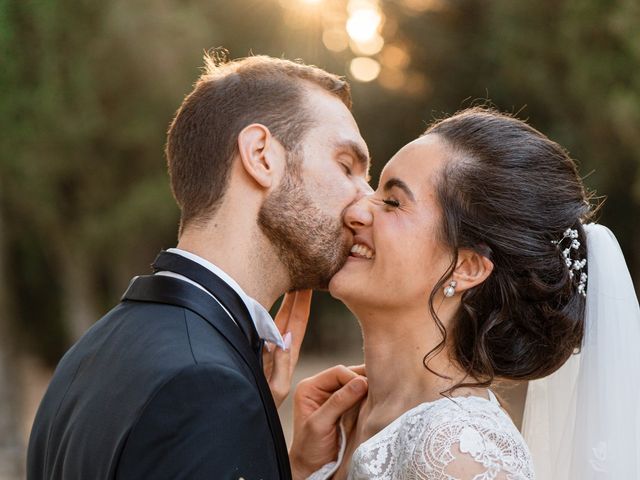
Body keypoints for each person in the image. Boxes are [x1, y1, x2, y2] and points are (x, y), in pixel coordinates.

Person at [26, 53, 371, 480]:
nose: (366, 202)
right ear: (261, 156)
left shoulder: (88, 354)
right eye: (347, 167)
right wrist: (229, 409)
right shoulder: (204, 387)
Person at [303, 107, 639, 479]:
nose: (357, 210)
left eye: (393, 202)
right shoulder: (347, 421)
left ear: (466, 267)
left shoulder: (457, 452)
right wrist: (300, 466)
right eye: (376, 189)